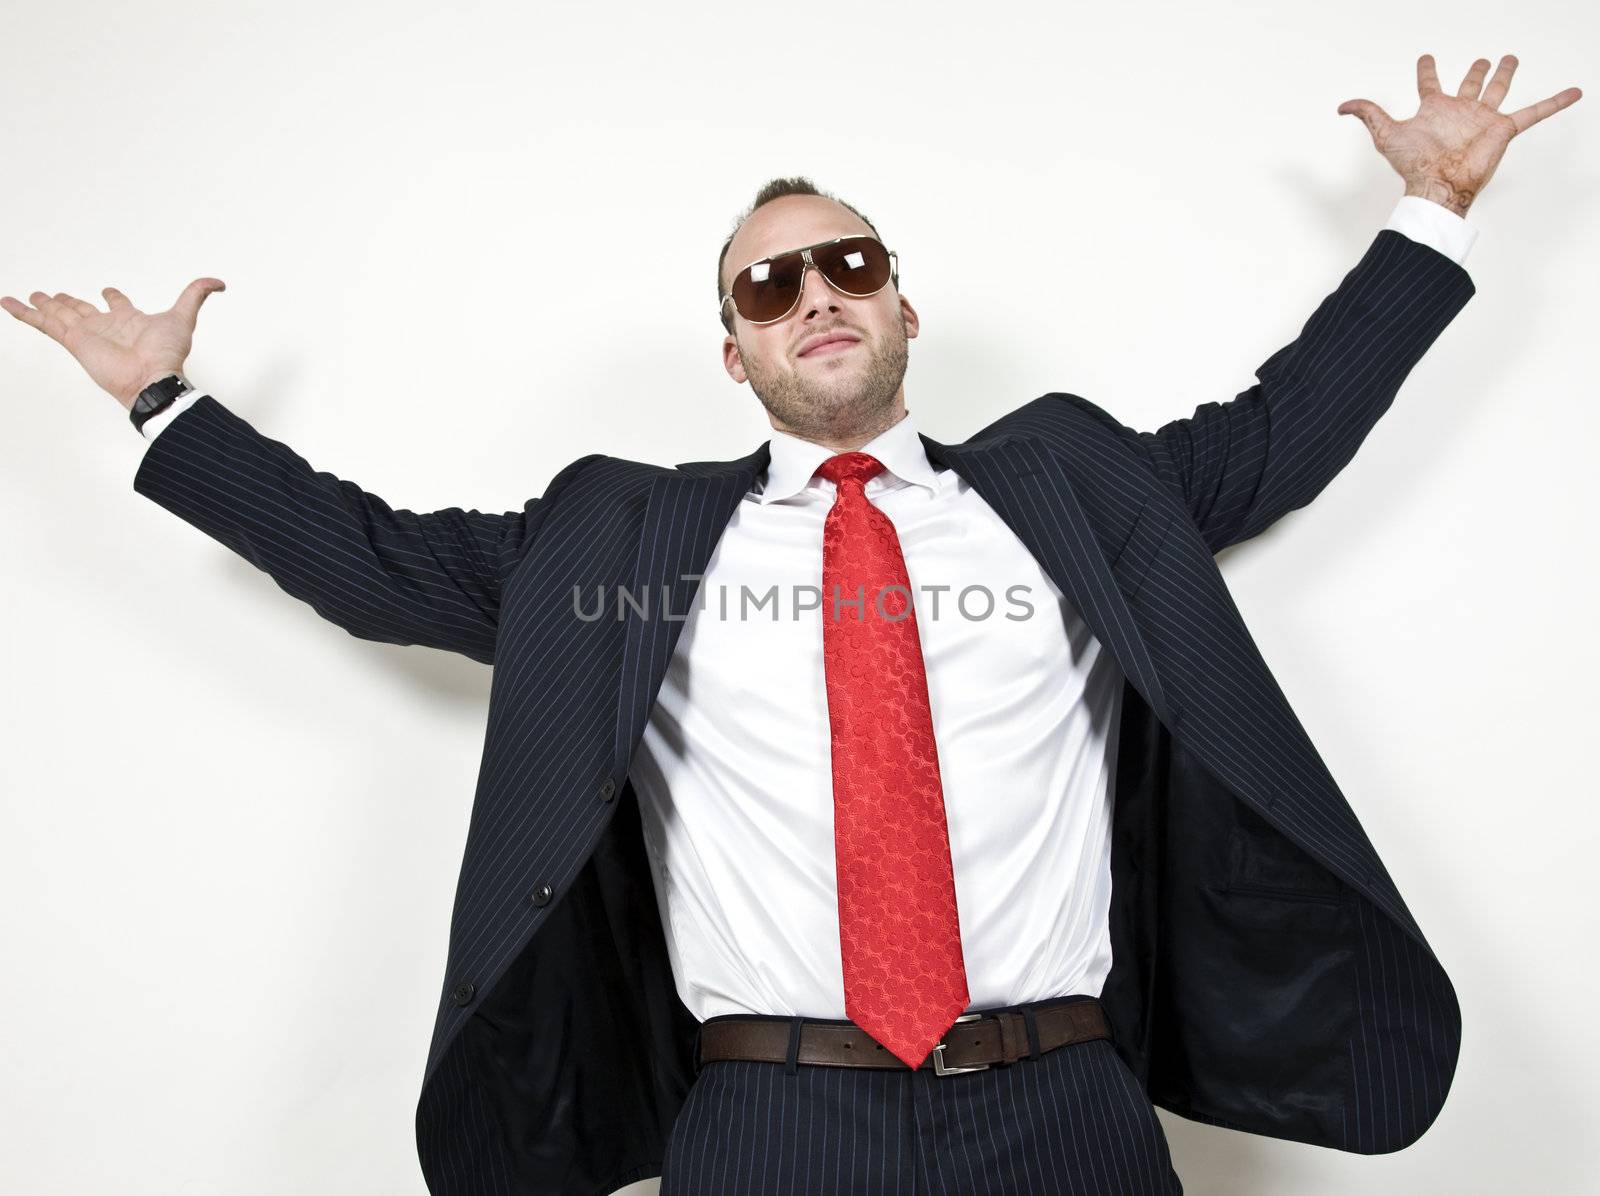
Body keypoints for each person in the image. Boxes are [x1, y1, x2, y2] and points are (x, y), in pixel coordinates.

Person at [5, 52, 1580, 1196]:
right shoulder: (620, 540)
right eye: (770, 286)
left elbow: (1283, 430)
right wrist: (162, 404)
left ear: (903, 306)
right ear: (735, 353)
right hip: (769, 1123)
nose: (814, 294)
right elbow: (375, 563)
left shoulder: (1076, 491)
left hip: (1067, 1108)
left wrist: (1431, 210)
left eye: (849, 264)